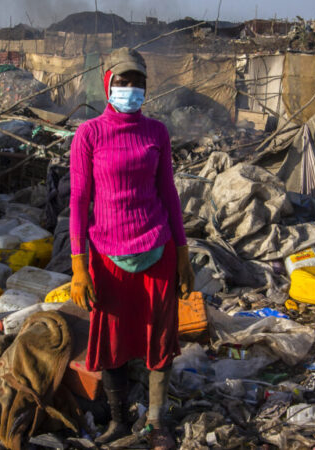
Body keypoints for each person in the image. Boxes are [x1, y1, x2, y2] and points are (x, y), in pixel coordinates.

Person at [69, 47, 194, 449]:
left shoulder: (156, 132)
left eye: (137, 82)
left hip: (158, 249)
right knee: (112, 340)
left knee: (160, 338)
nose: (130, 89)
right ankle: (120, 421)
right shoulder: (89, 134)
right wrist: (78, 265)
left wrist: (184, 253)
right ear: (108, 84)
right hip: (107, 254)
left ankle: (156, 421)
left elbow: (169, 194)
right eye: (122, 81)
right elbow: (78, 200)